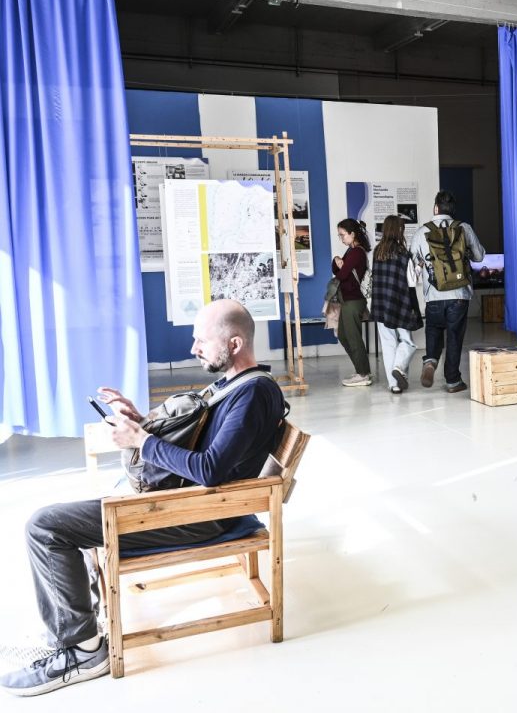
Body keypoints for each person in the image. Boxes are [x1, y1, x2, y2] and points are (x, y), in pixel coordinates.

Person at [1, 300, 285, 697]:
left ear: (235, 344)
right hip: (187, 503)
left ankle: (83, 652)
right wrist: (141, 421)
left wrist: (142, 441)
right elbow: (198, 440)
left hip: (197, 514)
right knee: (58, 522)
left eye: (202, 341)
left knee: (45, 527)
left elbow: (210, 469)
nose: (193, 349)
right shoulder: (234, 384)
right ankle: (73, 628)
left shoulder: (252, 394)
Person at [410, 191, 486, 393]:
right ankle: (453, 381)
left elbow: (412, 262)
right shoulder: (464, 228)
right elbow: (479, 257)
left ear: (436, 208)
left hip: (434, 293)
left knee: (434, 328)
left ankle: (430, 360)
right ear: (452, 210)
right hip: (459, 295)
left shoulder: (422, 231)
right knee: (454, 336)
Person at [371, 215, 423, 394]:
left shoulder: (377, 252)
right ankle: (399, 367)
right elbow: (411, 281)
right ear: (398, 230)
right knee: (407, 341)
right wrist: (419, 266)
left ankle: (394, 384)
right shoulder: (402, 253)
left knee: (388, 344)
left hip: (381, 303)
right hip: (400, 303)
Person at [333, 218, 372, 387]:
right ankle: (361, 370)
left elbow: (341, 275)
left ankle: (363, 374)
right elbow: (337, 269)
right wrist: (336, 260)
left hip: (353, 301)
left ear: (352, 234)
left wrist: (338, 264)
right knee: (344, 335)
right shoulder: (351, 251)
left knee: (353, 337)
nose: (341, 238)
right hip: (349, 300)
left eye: (342, 235)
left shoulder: (356, 253)